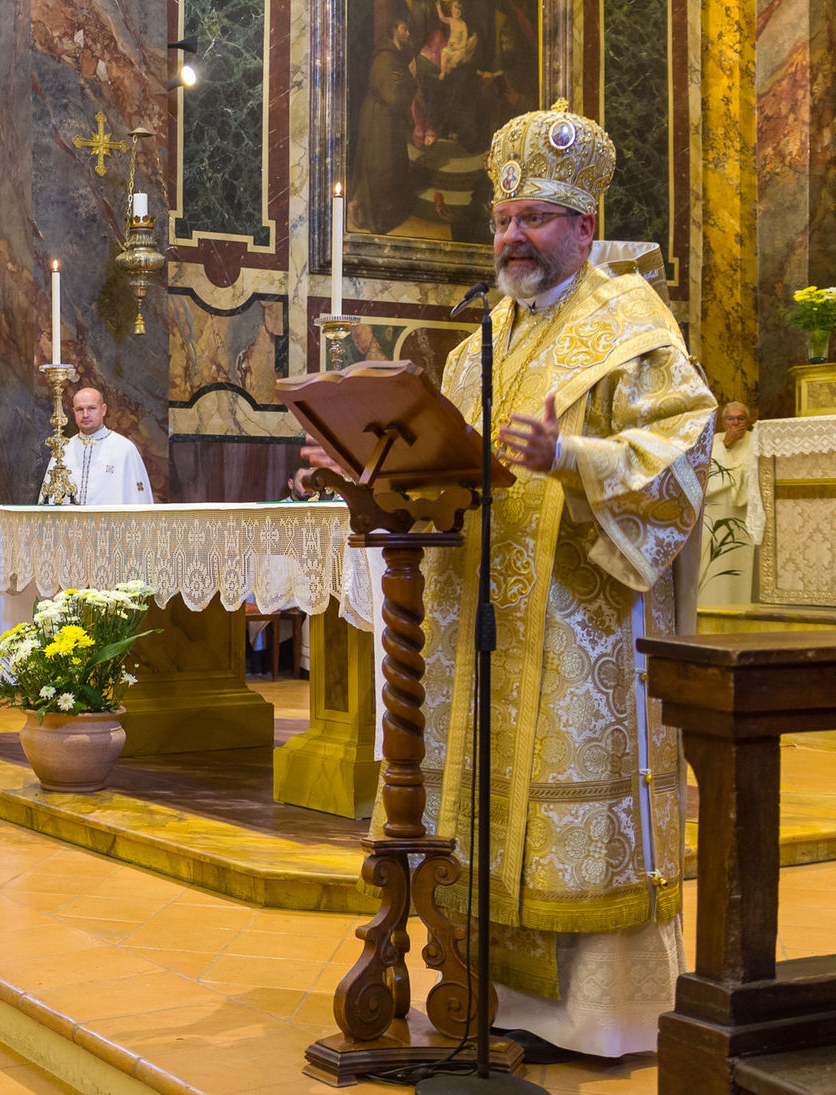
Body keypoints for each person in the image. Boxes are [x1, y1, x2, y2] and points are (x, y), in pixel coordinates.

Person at [402, 101, 716, 1060]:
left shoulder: (629, 324)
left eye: (534, 217)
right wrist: (366, 467)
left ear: (584, 227)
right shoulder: (478, 342)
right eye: (502, 218)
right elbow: (438, 460)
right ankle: (490, 996)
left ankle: (598, 1018)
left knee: (570, 805)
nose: (511, 236)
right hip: (487, 624)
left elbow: (682, 455)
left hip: (583, 623)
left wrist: (571, 453)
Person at [352, 18, 418, 234]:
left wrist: (408, 80)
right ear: (394, 31)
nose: (408, 33)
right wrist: (410, 80)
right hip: (379, 120)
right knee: (380, 167)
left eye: (407, 29)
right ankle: (375, 220)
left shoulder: (398, 57)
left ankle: (380, 215)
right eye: (404, 28)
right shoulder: (386, 58)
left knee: (393, 166)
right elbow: (392, 96)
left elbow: (402, 90)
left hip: (390, 120)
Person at [698, 401, 765, 606]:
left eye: (740, 418)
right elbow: (700, 478)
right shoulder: (713, 442)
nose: (735, 422)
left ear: (748, 421)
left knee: (740, 568)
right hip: (715, 517)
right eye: (730, 418)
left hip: (742, 517)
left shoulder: (758, 441)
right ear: (722, 422)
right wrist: (725, 444)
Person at [41, 387, 153, 504]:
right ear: (73, 411)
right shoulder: (63, 450)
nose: (85, 414)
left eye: (91, 408)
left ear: (103, 410)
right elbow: (47, 500)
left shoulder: (124, 449)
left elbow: (139, 500)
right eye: (80, 409)